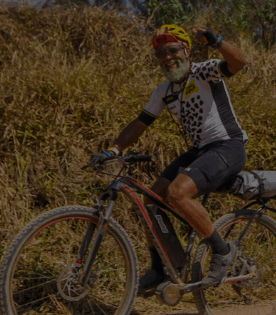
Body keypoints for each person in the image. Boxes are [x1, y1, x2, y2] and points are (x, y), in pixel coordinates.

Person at [89, 24, 248, 289]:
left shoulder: (205, 71)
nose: (168, 57)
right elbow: (140, 124)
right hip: (199, 151)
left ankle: (222, 251)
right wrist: (113, 149)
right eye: (161, 53)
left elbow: (239, 62)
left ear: (187, 51)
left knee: (176, 193)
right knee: (151, 201)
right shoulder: (163, 91)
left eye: (174, 49)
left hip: (227, 146)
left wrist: (216, 41)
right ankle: (161, 268)